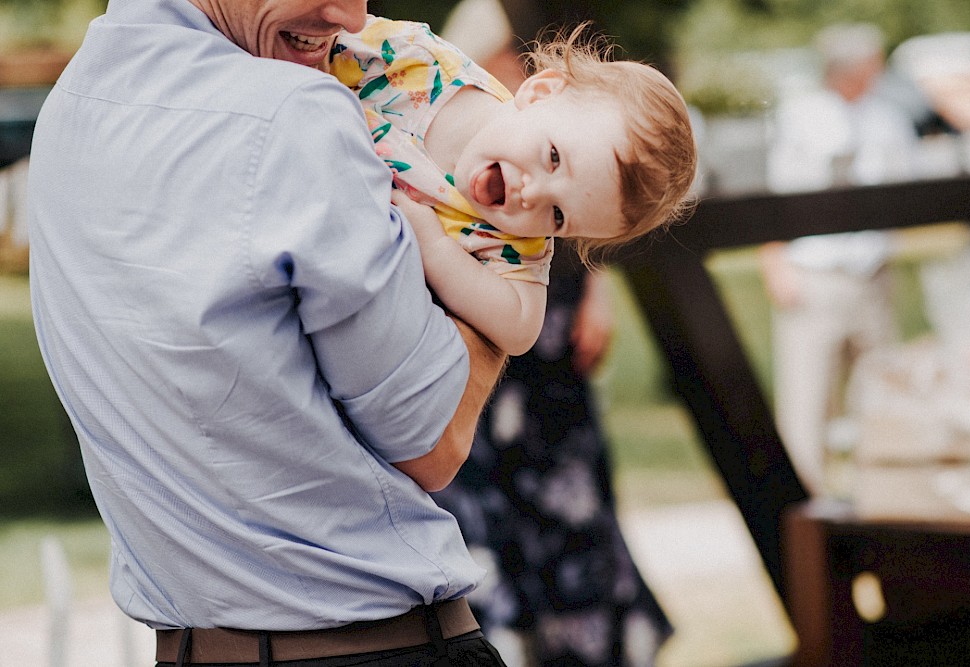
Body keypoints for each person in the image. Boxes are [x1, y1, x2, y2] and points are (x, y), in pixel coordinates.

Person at [27, 0, 512, 665]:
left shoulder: (68, 109)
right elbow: (432, 438)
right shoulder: (292, 112)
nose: (350, 15)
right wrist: (508, 275)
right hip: (377, 648)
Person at [428, 1, 676, 665]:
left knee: (567, 479)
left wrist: (600, 284)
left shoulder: (581, 19)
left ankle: (590, 636)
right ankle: (509, 631)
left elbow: (613, 178)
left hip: (545, 265)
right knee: (482, 481)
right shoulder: (489, 17)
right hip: (484, 217)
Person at [329, 15, 697, 355]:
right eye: (553, 158)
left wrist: (436, 248)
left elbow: (520, 330)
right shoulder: (415, 62)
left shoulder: (513, 243)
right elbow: (306, 45)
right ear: (540, 92)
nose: (533, 195)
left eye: (558, 215)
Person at [762, 22, 919, 494]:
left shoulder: (889, 119)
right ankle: (807, 509)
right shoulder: (800, 115)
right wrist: (776, 264)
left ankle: (885, 497)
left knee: (880, 396)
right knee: (807, 401)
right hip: (816, 275)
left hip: (871, 273)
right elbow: (775, 198)